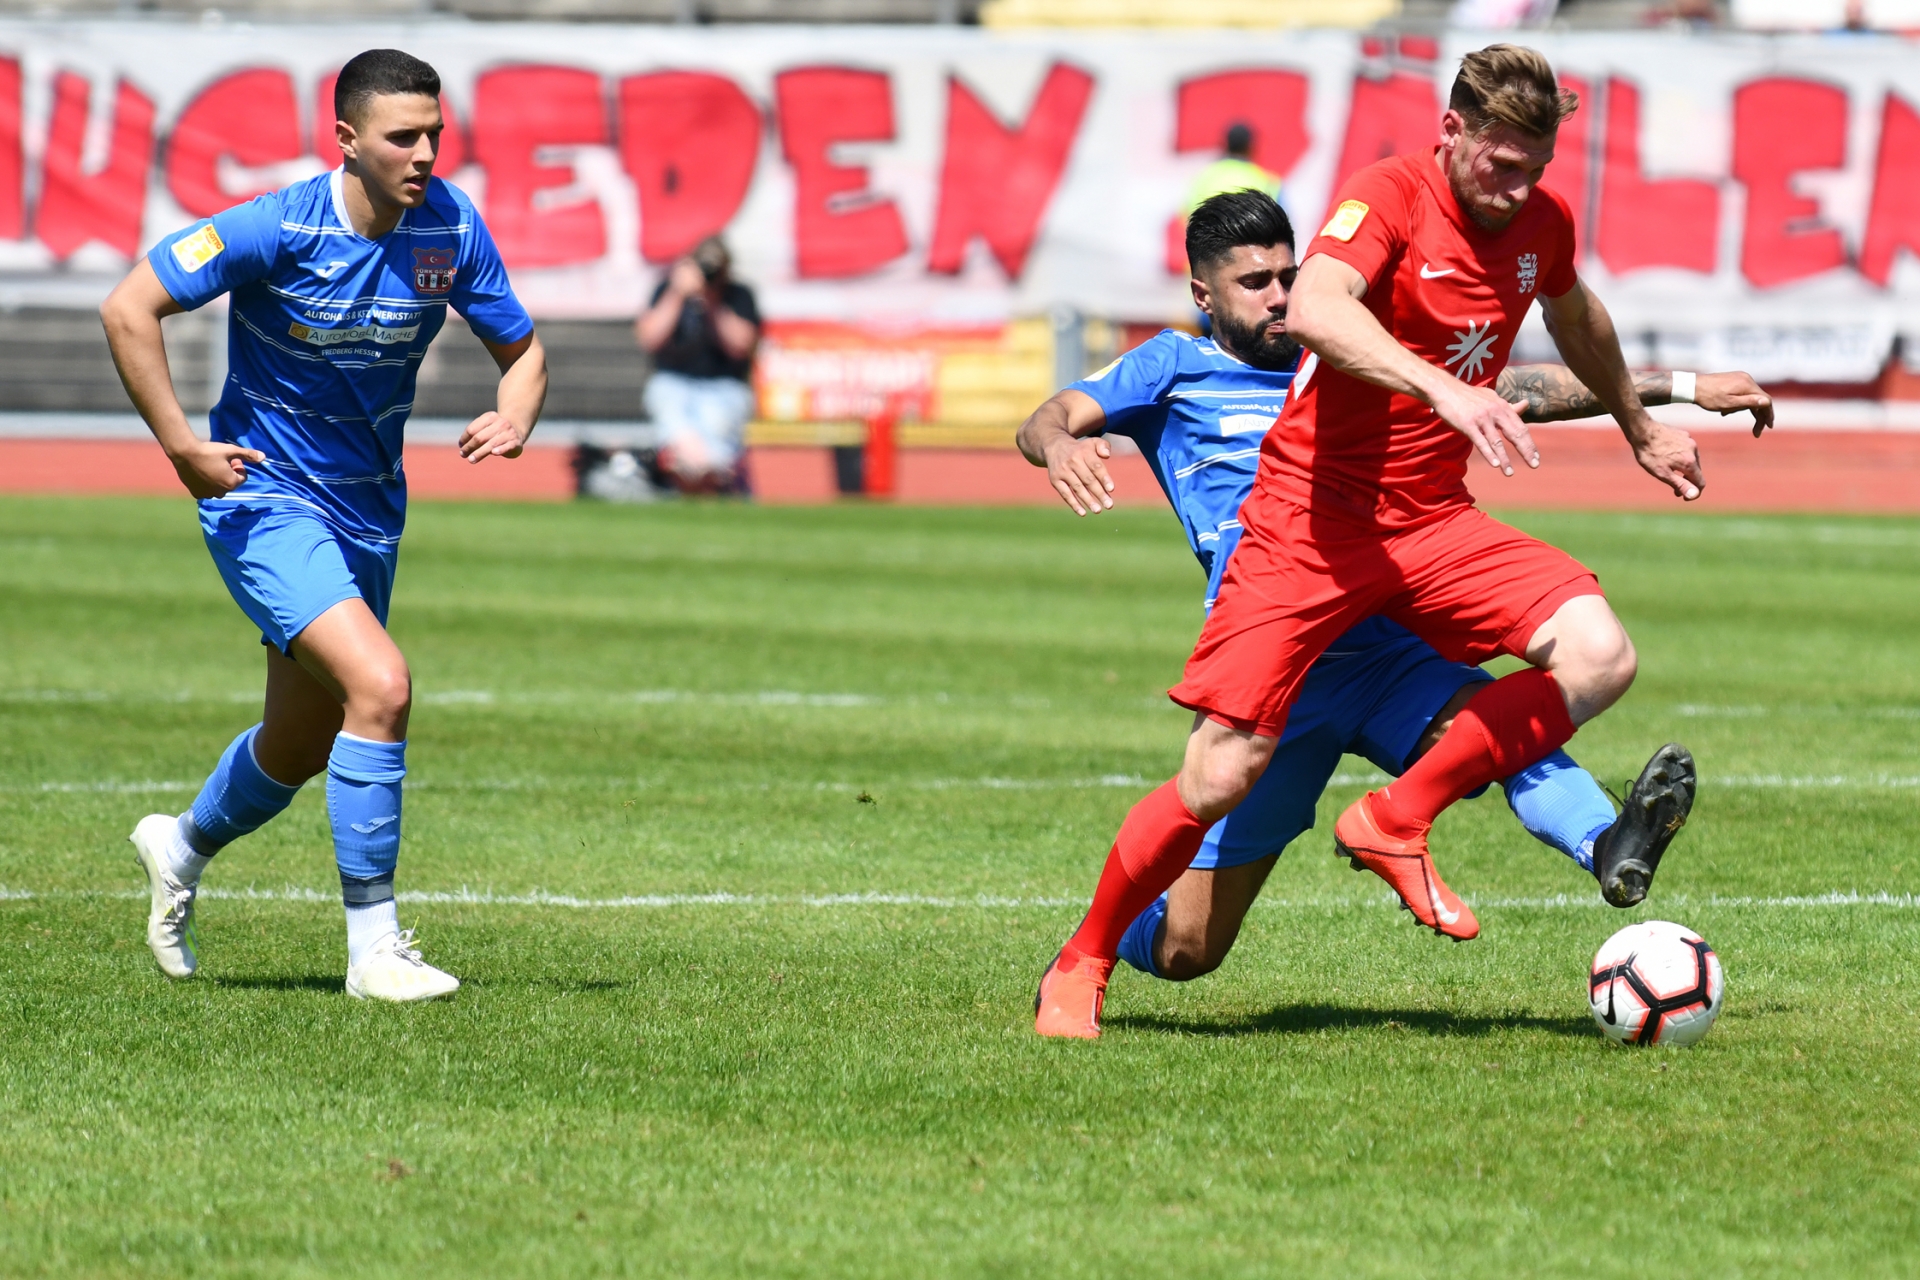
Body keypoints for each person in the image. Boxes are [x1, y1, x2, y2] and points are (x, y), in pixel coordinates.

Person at [1035, 43, 1712, 1038]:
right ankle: (1085, 957)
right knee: (1214, 793)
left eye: (1532, 167)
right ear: (1450, 133)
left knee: (1602, 653)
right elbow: (1318, 305)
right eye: (1497, 162)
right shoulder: (1386, 197)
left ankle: (1405, 817)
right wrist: (1443, 387)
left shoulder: (1540, 222)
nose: (1513, 186)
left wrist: (1646, 417)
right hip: (1307, 530)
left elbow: (1574, 317)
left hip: (1425, 526)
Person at [100, 48, 546, 1002]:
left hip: (370, 510)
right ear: (346, 139)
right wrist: (183, 448)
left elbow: (524, 348)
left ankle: (178, 846)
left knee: (300, 743)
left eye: (435, 133)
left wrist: (517, 412)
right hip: (265, 503)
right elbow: (129, 306)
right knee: (382, 686)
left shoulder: (451, 229)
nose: (424, 153)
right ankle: (374, 950)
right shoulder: (279, 225)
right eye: (402, 136)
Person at [635, 236, 761, 494]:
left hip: (723, 385)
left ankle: (692, 470)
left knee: (716, 419)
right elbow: (648, 337)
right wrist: (677, 292)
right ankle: (707, 470)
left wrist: (713, 301)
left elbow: (741, 345)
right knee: (669, 406)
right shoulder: (667, 290)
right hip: (674, 381)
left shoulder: (737, 295)